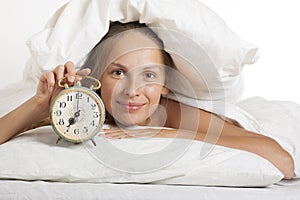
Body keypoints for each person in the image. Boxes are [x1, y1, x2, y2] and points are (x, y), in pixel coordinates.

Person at [0, 22, 294, 179]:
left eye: (149, 76)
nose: (133, 90)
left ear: (166, 85)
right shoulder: (79, 107)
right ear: (99, 77)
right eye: (118, 72)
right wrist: (39, 105)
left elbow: (282, 160)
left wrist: (165, 131)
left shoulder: (173, 112)